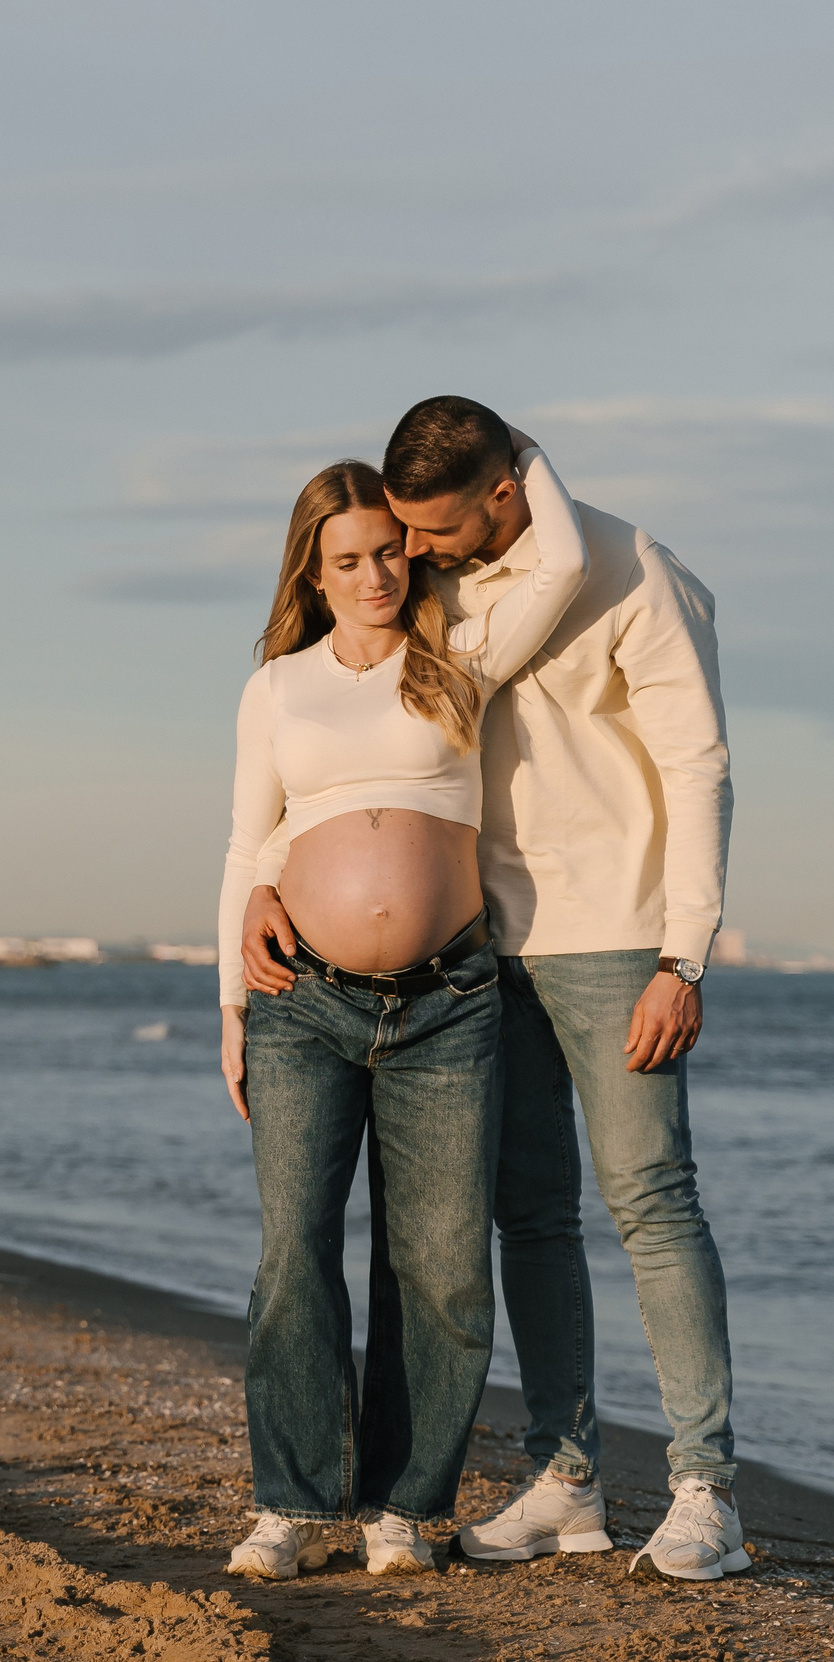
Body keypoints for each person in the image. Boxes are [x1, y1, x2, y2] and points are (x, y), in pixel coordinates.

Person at [241, 395, 742, 1580]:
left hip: (614, 935)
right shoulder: (433, 591)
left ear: (508, 492)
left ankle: (704, 1486)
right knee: (528, 1216)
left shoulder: (631, 570)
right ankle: (567, 1478)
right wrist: (273, 881)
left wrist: (686, 954)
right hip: (476, 955)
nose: (413, 554)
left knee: (649, 1200)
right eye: (399, 536)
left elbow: (700, 763)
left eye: (435, 528)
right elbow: (347, 761)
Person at [217, 440, 586, 1580]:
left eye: (389, 551)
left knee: (438, 1268)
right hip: (303, 1006)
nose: (374, 576)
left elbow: (562, 562)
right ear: (310, 574)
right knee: (295, 1254)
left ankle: (398, 1507)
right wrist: (230, 1006)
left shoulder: (462, 653)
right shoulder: (279, 686)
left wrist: (510, 451)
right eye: (347, 559)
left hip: (448, 1007)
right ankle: (288, 1501)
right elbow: (245, 843)